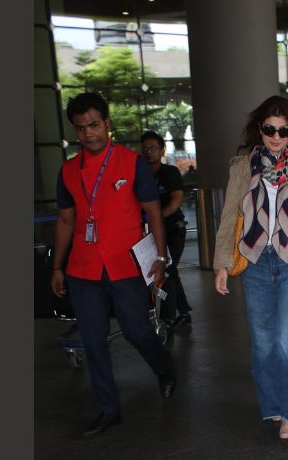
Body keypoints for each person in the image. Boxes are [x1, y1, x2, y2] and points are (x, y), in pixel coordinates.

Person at [51, 93, 176, 437]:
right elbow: (65, 220)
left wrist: (160, 258)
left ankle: (164, 368)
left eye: (94, 125)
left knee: (137, 331)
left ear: (107, 124)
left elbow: (153, 213)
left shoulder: (132, 163)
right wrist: (57, 266)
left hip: (125, 266)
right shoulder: (68, 171)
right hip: (83, 269)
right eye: (80, 128)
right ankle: (107, 409)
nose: (88, 133)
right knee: (93, 340)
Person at [212, 95, 288, 440]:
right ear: (259, 129)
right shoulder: (242, 166)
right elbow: (228, 217)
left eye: (284, 130)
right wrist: (222, 263)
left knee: (284, 341)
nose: (276, 137)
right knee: (263, 344)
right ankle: (274, 405)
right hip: (256, 260)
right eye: (270, 129)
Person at [140, 131, 192, 328]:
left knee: (167, 269)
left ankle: (168, 318)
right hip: (150, 232)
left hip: (172, 229)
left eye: (153, 148)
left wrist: (157, 217)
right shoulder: (140, 174)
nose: (149, 151)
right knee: (168, 271)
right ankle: (183, 312)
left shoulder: (170, 172)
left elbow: (177, 199)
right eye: (145, 148)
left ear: (162, 151)